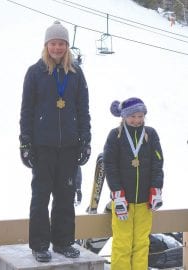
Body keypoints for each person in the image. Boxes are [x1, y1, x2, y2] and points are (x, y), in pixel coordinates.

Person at [19, 21, 91, 262]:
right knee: (41, 196)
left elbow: (83, 109)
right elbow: (26, 110)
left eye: (61, 44)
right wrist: (25, 142)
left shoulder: (76, 73)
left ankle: (63, 242)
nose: (57, 48)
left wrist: (85, 140)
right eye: (53, 43)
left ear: (67, 46)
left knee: (65, 195)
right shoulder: (35, 72)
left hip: (69, 146)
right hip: (42, 146)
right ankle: (39, 245)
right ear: (46, 45)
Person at [103, 97, 164, 270]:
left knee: (142, 243)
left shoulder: (151, 134)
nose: (137, 120)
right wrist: (117, 193)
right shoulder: (115, 135)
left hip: (145, 202)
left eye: (140, 116)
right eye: (132, 117)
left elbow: (157, 163)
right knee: (122, 243)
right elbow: (110, 166)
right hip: (124, 201)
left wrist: (156, 188)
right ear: (124, 117)